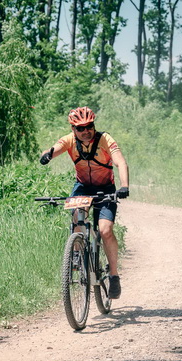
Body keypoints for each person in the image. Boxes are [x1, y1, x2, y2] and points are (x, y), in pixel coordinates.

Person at [39, 106, 129, 299]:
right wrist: (47, 155)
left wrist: (124, 186)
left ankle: (114, 276)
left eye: (89, 126)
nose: (86, 131)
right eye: (81, 128)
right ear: (73, 129)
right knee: (77, 218)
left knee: (105, 230)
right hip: (82, 187)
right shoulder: (69, 140)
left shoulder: (105, 139)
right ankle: (77, 253)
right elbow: (53, 149)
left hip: (105, 188)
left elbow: (120, 162)